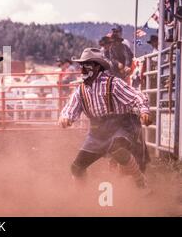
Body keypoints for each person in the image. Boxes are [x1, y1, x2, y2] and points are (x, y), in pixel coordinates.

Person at [59, 48, 152, 190]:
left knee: (118, 148)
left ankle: (140, 181)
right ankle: (79, 195)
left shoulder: (113, 83)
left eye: (87, 64)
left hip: (121, 127)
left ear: (97, 67)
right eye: (82, 65)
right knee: (76, 167)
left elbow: (136, 96)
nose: (83, 68)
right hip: (97, 134)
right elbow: (70, 108)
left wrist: (144, 111)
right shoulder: (81, 90)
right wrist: (66, 118)